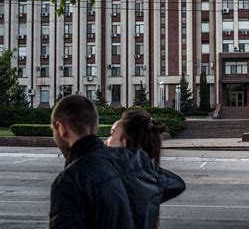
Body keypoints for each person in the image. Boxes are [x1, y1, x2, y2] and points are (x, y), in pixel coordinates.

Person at [49, 95, 185, 229]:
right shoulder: (140, 162)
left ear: (61, 128)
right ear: (95, 126)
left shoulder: (70, 180)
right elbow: (176, 184)